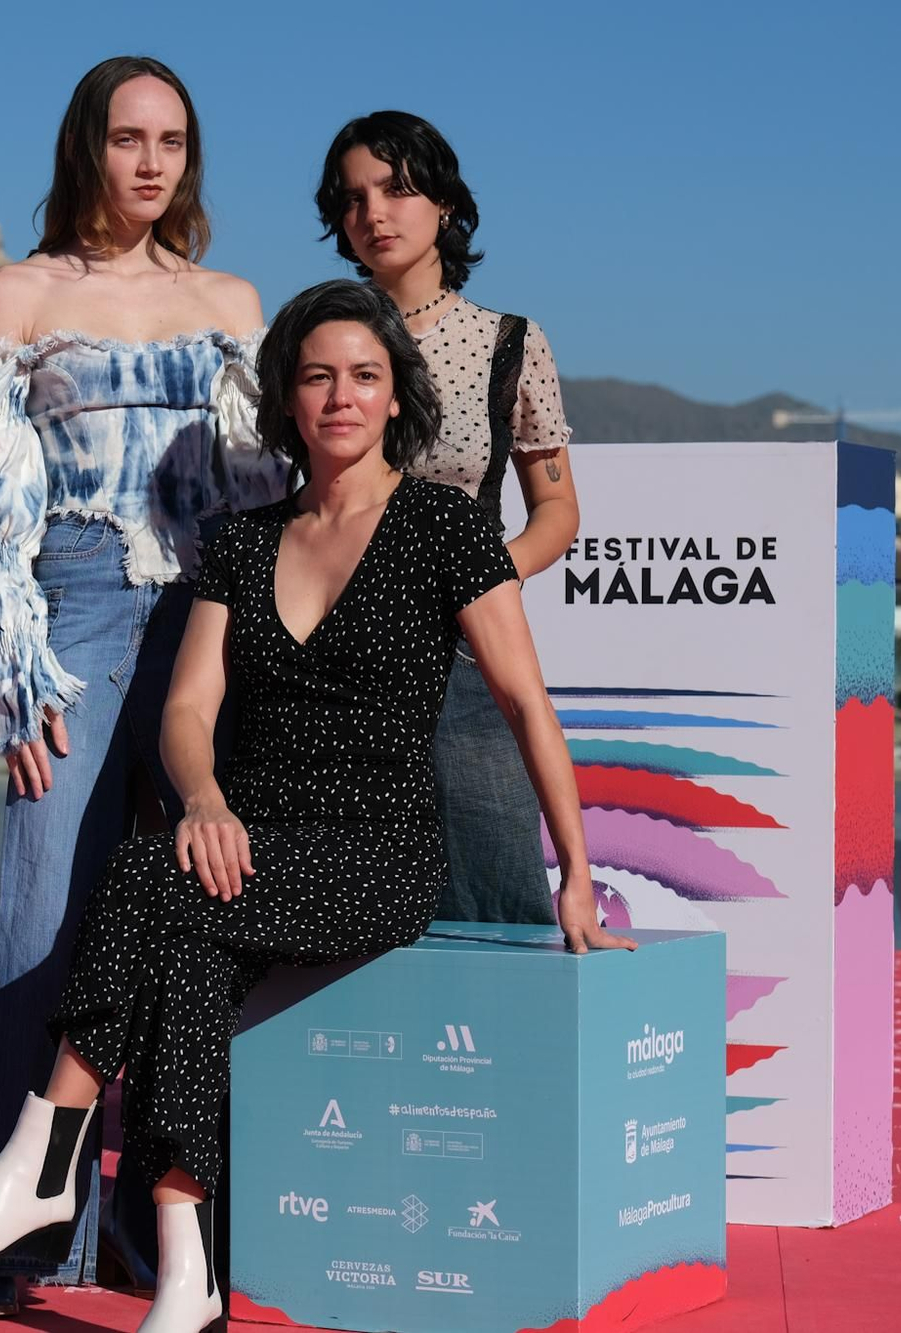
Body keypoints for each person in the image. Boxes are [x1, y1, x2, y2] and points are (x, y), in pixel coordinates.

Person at [0, 279, 631, 1333]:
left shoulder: (439, 528)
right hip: (250, 838)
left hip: (373, 851)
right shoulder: (241, 541)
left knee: (146, 876)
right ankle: (188, 1272)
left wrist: (576, 872)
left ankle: (44, 1153)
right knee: (187, 947)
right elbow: (188, 711)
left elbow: (524, 702)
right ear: (285, 397)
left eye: (364, 377)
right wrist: (199, 797)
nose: (340, 396)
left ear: (395, 400)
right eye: (318, 376)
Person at [0, 55, 283, 1311]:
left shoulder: (231, 296)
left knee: (190, 919)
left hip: (209, 618)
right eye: (128, 137)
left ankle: (157, 1221)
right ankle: (22, 1237)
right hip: (72, 607)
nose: (150, 163)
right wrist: (12, 668)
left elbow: (261, 492)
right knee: (41, 921)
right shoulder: (17, 289)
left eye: (173, 142)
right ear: (86, 145)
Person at [315, 110, 581, 925]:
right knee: (341, 893)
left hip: (464, 654)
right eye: (353, 198)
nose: (375, 214)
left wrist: (483, 581)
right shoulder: (320, 336)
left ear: (446, 205)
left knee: (496, 882)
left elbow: (558, 509)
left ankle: (516, 1050)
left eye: (397, 189)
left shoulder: (509, 342)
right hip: (338, 657)